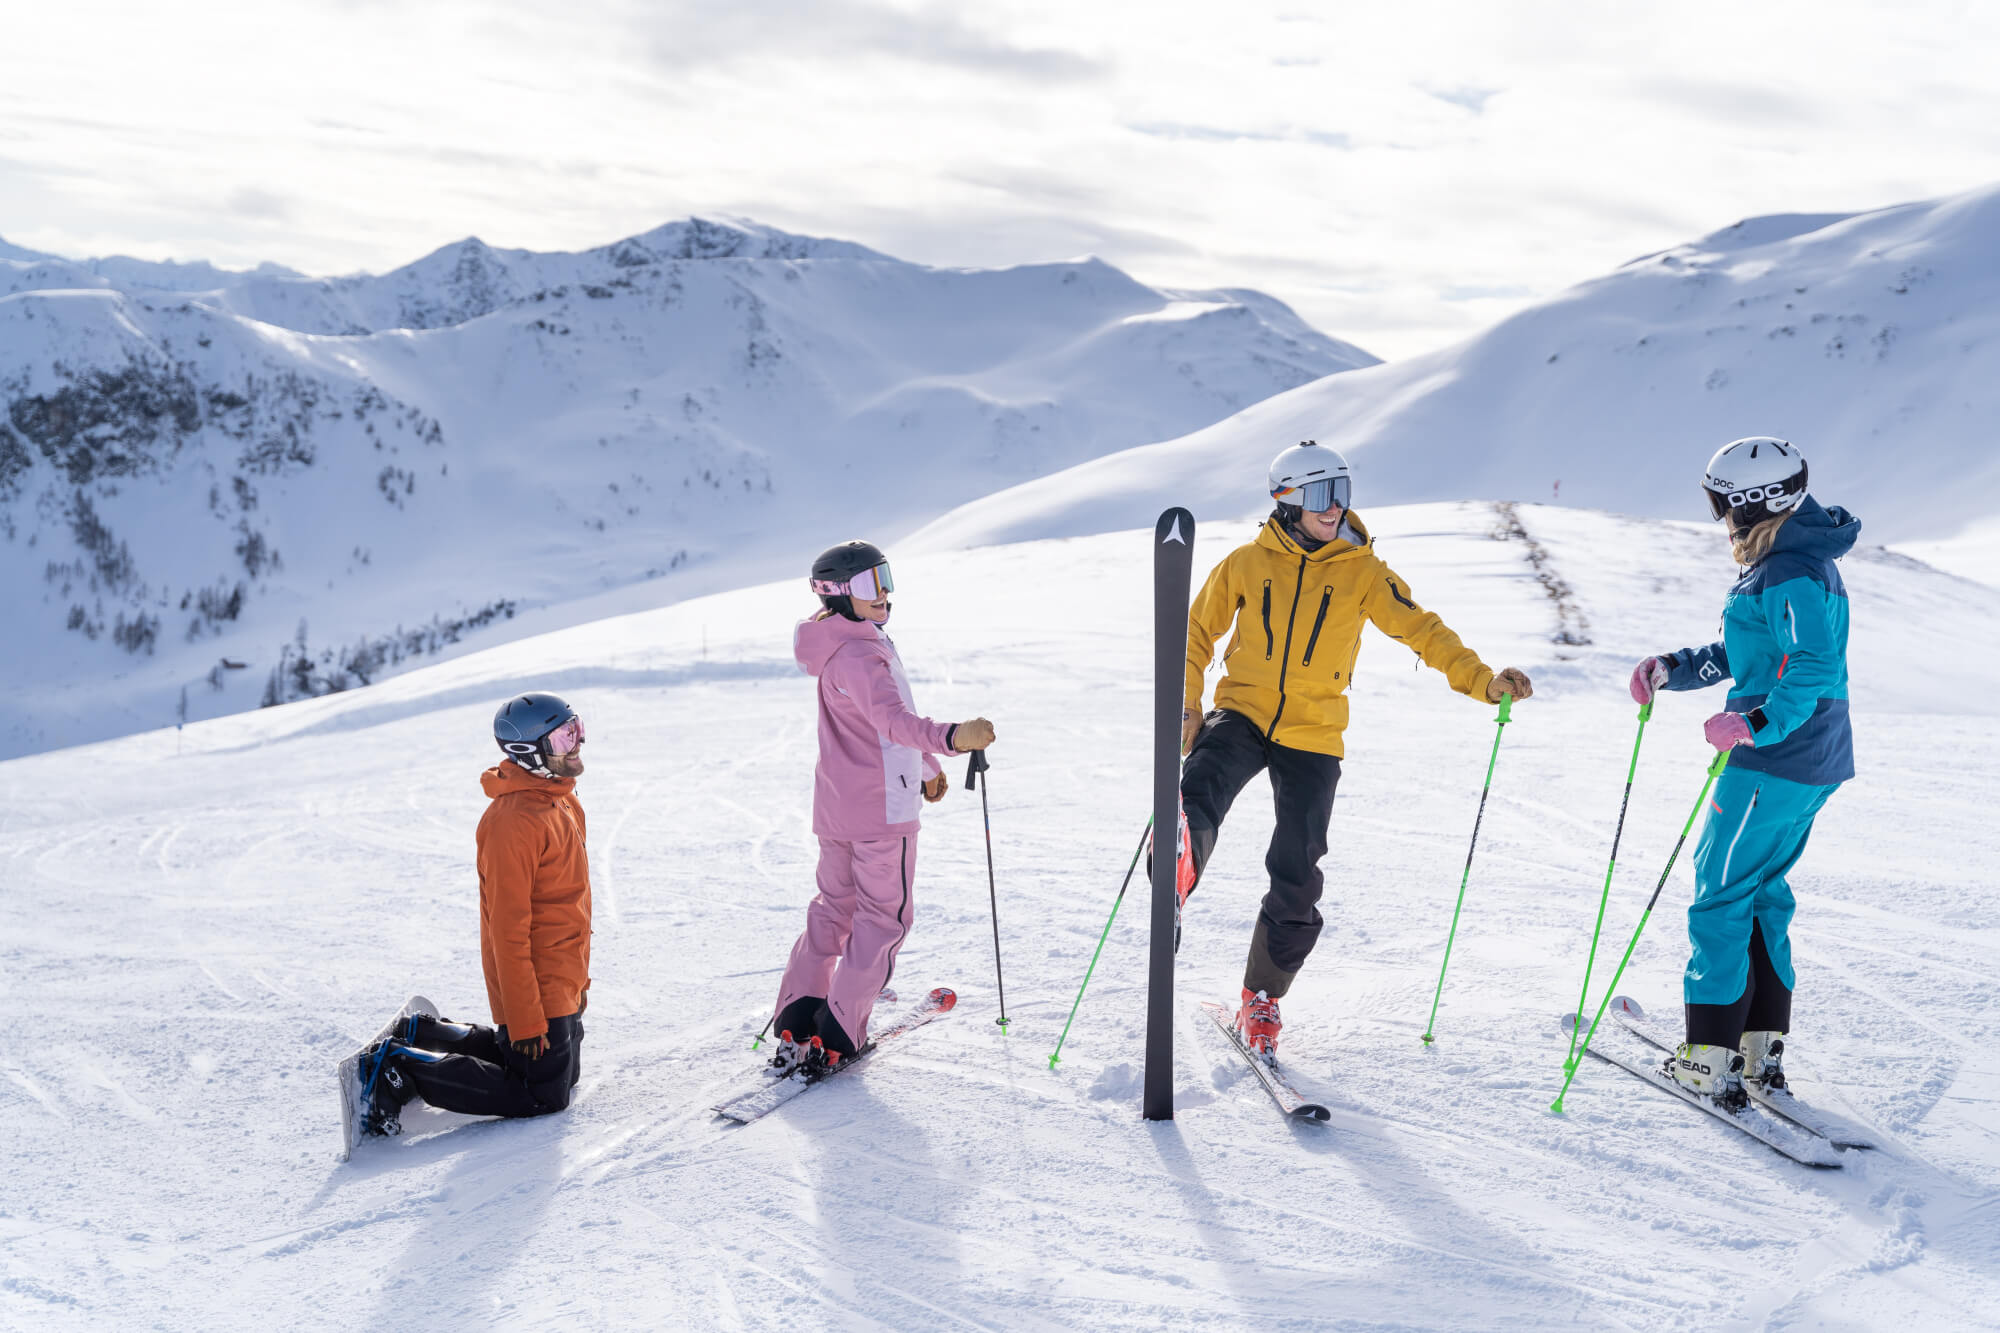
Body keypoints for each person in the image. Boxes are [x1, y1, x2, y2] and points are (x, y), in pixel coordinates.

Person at [1180, 441, 1534, 1059]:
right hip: (1243, 709)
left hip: (1315, 732)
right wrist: (1188, 704)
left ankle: (1261, 998)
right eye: (1321, 495)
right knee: (1203, 781)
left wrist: (1482, 680)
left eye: (1343, 492)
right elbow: (1196, 632)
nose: (1335, 507)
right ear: (1286, 501)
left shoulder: (1364, 571)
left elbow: (1422, 630)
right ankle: (1176, 870)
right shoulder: (1245, 562)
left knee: (1298, 869)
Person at [1629, 437, 1856, 1109]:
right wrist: (1673, 666)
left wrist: (1753, 725)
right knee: (1759, 891)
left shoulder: (1788, 569)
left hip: (1771, 760)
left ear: (1753, 503)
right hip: (1810, 758)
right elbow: (1747, 652)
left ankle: (1709, 1057)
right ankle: (1756, 1049)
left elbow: (1810, 664)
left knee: (1720, 895)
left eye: (1722, 503)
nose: (1719, 516)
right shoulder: (1794, 562)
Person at [771, 540, 995, 1073]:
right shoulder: (862, 653)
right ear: (840, 594)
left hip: (838, 809)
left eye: (887, 577)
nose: (886, 593)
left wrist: (927, 770)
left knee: (834, 910)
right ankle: (840, 1031)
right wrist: (952, 739)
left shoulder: (834, 646)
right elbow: (895, 721)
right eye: (873, 584)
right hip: (880, 815)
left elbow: (879, 727)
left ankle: (796, 1019)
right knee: (883, 919)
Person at [353, 691, 592, 1137]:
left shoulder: (563, 802)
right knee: (542, 1095)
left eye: (576, 729)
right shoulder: (513, 823)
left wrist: (578, 985)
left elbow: (567, 903)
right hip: (536, 982)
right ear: (528, 752)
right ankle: (397, 1067)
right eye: (563, 737)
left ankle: (430, 1034)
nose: (577, 744)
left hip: (564, 973)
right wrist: (524, 1016)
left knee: (558, 1078)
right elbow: (506, 931)